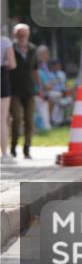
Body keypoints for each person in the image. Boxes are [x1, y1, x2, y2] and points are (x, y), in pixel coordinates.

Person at [9, 23, 40, 159]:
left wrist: (39, 87)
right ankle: (13, 146)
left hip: (29, 89)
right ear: (15, 35)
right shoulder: (10, 49)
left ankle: (27, 148)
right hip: (14, 89)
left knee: (29, 119)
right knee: (17, 118)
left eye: (25, 34)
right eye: (20, 34)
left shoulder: (33, 49)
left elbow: (35, 69)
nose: (22, 36)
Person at [1, 28, 15, 163]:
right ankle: (4, 154)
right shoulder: (5, 41)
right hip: (2, 77)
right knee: (2, 118)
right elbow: (12, 64)